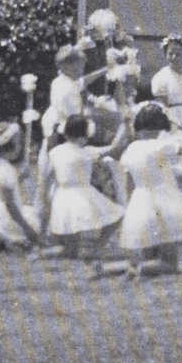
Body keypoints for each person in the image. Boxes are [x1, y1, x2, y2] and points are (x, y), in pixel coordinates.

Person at [115, 101, 182, 277]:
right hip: (164, 203)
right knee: (169, 263)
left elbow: (128, 184)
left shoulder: (130, 150)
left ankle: (132, 267)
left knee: (150, 254)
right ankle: (137, 269)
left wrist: (131, 209)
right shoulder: (161, 146)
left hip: (139, 204)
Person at [36, 113, 127, 275]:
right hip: (84, 196)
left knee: (72, 248)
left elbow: (46, 181)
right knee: (118, 215)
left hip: (62, 197)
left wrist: (47, 204)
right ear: (85, 134)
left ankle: (47, 253)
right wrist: (124, 124)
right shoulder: (87, 151)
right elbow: (115, 147)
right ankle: (97, 245)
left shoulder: (55, 152)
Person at [0, 122, 40, 253]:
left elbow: (2, 189)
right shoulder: (6, 170)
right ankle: (14, 238)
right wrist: (27, 229)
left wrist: (20, 177)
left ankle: (2, 238)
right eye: (19, 142)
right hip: (5, 219)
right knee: (36, 218)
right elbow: (10, 205)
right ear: (13, 145)